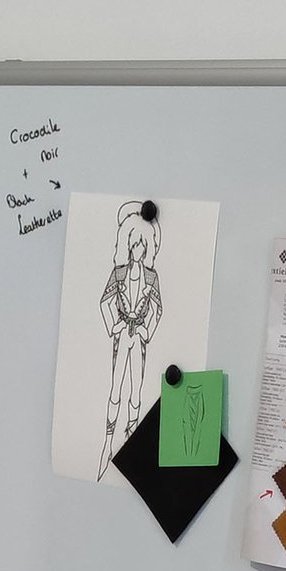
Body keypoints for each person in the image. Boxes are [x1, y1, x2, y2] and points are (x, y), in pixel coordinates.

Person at [98, 200, 164, 477]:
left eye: (142, 245)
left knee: (136, 391)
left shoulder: (151, 277)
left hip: (138, 339)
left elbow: (158, 309)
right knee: (115, 389)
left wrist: (147, 331)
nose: (138, 249)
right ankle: (108, 442)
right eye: (134, 244)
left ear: (147, 248)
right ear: (127, 244)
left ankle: (131, 441)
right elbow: (104, 301)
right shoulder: (119, 273)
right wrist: (113, 326)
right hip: (122, 334)